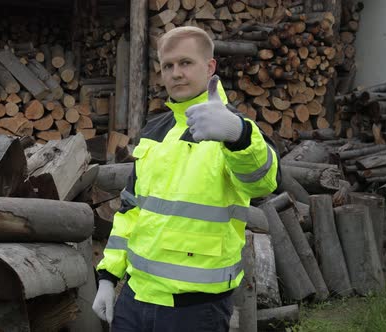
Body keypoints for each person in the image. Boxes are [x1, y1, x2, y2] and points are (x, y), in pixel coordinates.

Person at [92, 26, 280, 332]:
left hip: (195, 310)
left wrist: (238, 135)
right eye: (168, 66)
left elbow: (262, 182)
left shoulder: (233, 129)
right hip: (135, 299)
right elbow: (131, 210)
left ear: (210, 67)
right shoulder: (155, 131)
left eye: (186, 63)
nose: (176, 73)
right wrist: (108, 276)